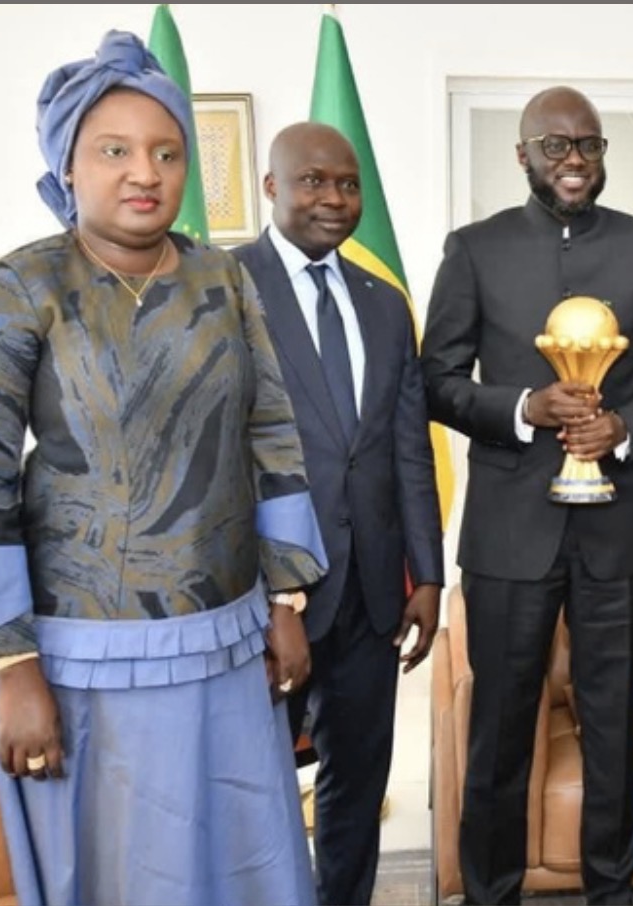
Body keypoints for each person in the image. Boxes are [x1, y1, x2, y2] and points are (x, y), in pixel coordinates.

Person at [0, 30, 329, 906]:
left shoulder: (225, 281)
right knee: (115, 872)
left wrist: (287, 601)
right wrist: (12, 666)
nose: (145, 172)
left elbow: (272, 435)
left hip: (227, 643)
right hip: (80, 663)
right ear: (68, 165)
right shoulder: (20, 288)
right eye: (115, 151)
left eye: (166, 153)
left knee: (242, 863)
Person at [420, 85, 633, 905]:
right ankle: (490, 894)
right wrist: (522, 409)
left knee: (612, 729)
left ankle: (612, 891)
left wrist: (622, 426)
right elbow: (435, 380)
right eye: (555, 145)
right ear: (523, 155)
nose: (573, 159)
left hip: (618, 531)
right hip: (510, 534)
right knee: (500, 732)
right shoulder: (474, 249)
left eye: (588, 145)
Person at [233, 121, 444, 906]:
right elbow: (220, 455)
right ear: (272, 187)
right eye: (313, 181)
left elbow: (406, 447)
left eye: (348, 185)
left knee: (357, 779)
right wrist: (271, 596)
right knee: (251, 783)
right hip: (260, 598)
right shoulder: (225, 285)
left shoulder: (384, 302)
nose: (333, 198)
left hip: (370, 589)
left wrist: (427, 574)